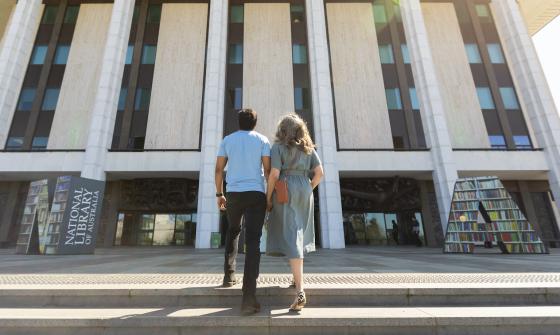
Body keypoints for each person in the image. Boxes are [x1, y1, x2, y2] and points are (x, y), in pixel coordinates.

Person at [215, 108, 271, 315]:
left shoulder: (227, 140)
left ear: (238, 122)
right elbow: (267, 170)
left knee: (233, 230)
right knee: (254, 241)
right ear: (255, 123)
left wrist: (219, 194)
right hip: (256, 193)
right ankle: (248, 298)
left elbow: (219, 169)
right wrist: (269, 195)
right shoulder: (263, 140)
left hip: (234, 194)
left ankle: (229, 276)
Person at [265, 114, 324, 312]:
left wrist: (268, 198)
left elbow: (274, 174)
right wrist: (308, 187)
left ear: (283, 130)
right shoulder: (308, 149)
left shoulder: (278, 147)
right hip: (305, 189)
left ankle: (300, 290)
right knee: (298, 231)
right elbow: (320, 173)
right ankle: (295, 278)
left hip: (284, 187)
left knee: (291, 233)